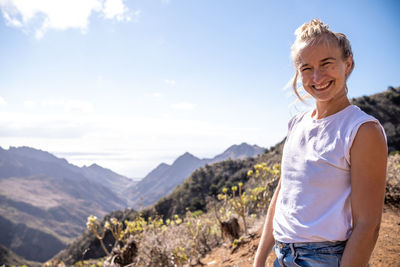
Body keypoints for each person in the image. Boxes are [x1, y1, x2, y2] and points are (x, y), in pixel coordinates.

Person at [253, 19, 388, 267]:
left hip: (327, 259)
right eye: (306, 68)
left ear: (347, 63)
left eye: (326, 63)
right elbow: (282, 195)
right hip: (282, 257)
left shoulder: (362, 130)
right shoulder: (296, 124)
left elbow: (368, 225)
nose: (317, 77)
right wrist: (259, 259)